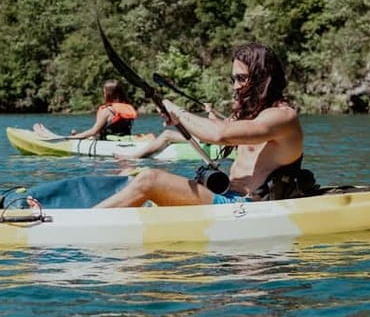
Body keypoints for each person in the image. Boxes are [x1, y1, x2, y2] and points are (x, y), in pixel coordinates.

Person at [95, 43, 305, 207]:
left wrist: (177, 111)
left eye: (241, 79)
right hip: (227, 196)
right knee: (129, 175)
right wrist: (177, 119)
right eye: (233, 79)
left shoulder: (282, 117)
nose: (235, 87)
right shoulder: (251, 116)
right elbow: (213, 130)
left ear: (262, 77)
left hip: (247, 206)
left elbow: (220, 134)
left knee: (150, 179)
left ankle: (88, 223)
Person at [34, 79, 137, 140]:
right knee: (82, 135)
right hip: (122, 141)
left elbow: (94, 131)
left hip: (107, 143)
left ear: (109, 94)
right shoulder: (127, 107)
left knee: (77, 136)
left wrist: (72, 138)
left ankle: (54, 136)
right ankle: (68, 135)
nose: (104, 94)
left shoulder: (107, 111)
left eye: (104, 92)